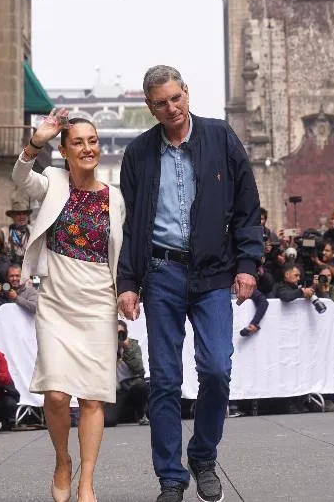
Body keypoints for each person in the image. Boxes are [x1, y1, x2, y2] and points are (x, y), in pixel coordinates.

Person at [117, 66, 263, 502]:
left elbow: (247, 208)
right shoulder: (139, 153)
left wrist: (248, 263)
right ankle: (170, 476)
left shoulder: (221, 137)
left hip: (215, 271)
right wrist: (127, 282)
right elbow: (127, 225)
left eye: (176, 98)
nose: (171, 108)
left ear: (186, 93)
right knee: (164, 378)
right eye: (161, 103)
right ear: (150, 106)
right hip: (161, 272)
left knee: (217, 367)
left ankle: (202, 454)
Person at [13, 106, 126, 502]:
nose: (87, 148)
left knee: (93, 396)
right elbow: (20, 179)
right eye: (78, 142)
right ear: (64, 150)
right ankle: (63, 460)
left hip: (98, 302)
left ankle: (86, 481)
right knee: (57, 394)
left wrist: (128, 291)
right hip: (57, 302)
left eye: (92, 141)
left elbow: (121, 253)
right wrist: (35, 142)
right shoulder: (53, 182)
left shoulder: (114, 197)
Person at [105, 320, 149, 427]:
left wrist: (127, 349)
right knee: (108, 421)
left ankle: (141, 414)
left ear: (126, 333)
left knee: (140, 386)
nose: (119, 336)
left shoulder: (133, 346)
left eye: (121, 333)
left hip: (133, 385)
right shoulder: (107, 348)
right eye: (116, 333)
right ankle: (122, 414)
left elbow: (139, 369)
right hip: (118, 391)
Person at [2, 199, 33, 265]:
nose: (22, 217)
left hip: (29, 265)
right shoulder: (5, 231)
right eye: (18, 214)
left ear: (28, 216)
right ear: (12, 216)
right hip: (11, 266)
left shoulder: (33, 231)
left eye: (24, 213)